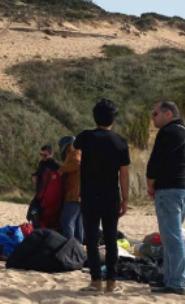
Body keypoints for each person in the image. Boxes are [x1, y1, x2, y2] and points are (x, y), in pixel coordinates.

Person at [75, 99, 130, 294]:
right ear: (114, 119)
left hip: (89, 194)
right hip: (111, 196)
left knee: (91, 239)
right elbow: (123, 173)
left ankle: (96, 281)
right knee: (110, 238)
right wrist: (125, 198)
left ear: (94, 116)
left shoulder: (85, 137)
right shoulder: (120, 142)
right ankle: (112, 282)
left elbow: (76, 150)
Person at [146, 101, 185, 296]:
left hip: (170, 189)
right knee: (171, 237)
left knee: (173, 238)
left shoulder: (168, 132)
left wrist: (150, 184)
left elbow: (155, 162)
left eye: (155, 113)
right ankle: (170, 279)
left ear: (168, 114)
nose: (153, 117)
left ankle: (176, 282)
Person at [57, 135, 84, 243]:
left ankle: (70, 247)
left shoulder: (74, 152)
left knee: (67, 221)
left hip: (74, 194)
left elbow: (77, 164)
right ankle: (78, 247)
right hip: (81, 194)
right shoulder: (80, 152)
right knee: (78, 223)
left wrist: (61, 169)